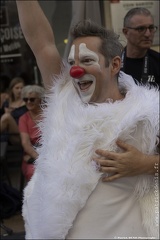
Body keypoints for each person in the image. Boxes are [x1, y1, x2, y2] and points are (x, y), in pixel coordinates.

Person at [16, 1, 159, 239]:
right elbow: (41, 43)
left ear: (114, 64)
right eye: (72, 62)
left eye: (87, 60)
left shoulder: (147, 112)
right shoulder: (64, 100)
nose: (75, 70)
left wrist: (145, 164)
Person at [121, 7, 160, 87]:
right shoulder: (113, 62)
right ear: (126, 32)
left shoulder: (157, 61)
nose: (148, 34)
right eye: (141, 29)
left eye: (151, 28)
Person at [19, 85, 45, 181]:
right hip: (33, 154)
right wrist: (39, 159)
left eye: (32, 99)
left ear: (40, 100)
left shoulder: (48, 114)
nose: (28, 102)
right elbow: (26, 143)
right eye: (26, 99)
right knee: (33, 173)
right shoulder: (23, 118)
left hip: (50, 150)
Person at [0, 77, 28, 144]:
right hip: (7, 134)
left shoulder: (27, 102)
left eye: (21, 88)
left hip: (20, 134)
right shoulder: (7, 103)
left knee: (7, 117)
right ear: (12, 89)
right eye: (17, 88)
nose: (19, 90)